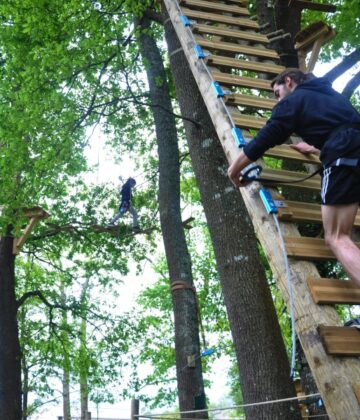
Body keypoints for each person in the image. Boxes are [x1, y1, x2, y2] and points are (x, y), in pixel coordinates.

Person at [227, 68, 360, 285]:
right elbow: (346, 128)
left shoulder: (294, 100)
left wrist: (234, 169)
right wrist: (319, 146)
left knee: (337, 237)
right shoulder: (330, 96)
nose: (277, 101)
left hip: (341, 156)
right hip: (349, 149)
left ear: (289, 81)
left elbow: (267, 136)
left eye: (277, 93)